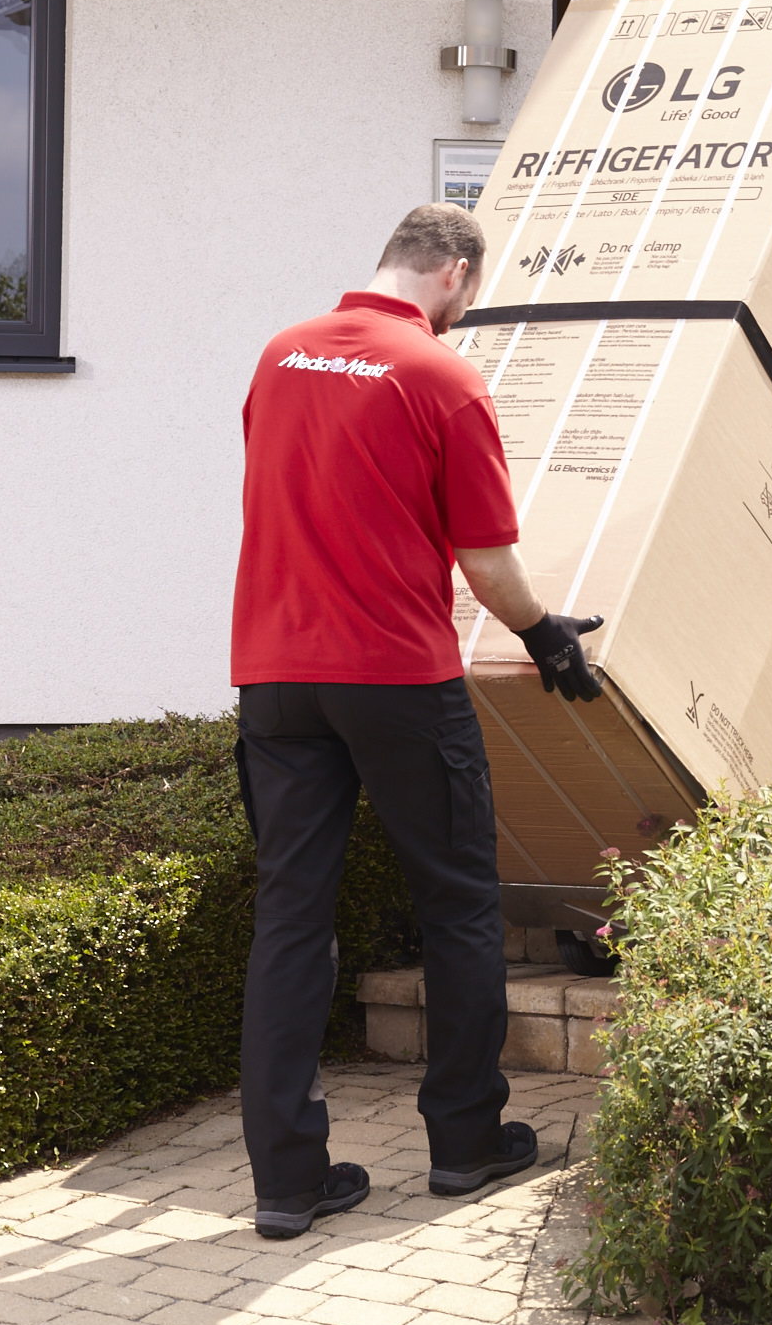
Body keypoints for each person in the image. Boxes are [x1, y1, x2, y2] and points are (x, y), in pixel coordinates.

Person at [230, 204, 605, 1240]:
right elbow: (487, 565)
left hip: (276, 678)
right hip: (394, 676)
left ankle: (288, 1180)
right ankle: (466, 1142)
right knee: (457, 903)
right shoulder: (445, 378)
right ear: (455, 273)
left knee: (292, 918)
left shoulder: (280, 355)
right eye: (469, 295)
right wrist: (543, 635)